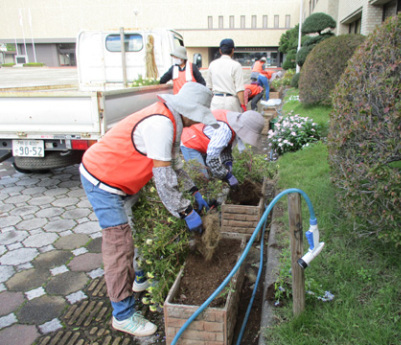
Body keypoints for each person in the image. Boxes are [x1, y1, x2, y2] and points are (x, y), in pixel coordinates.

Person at [79, 83, 218, 337]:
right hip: (103, 180)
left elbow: (175, 164)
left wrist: (194, 191)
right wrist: (186, 212)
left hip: (123, 180)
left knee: (138, 230)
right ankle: (122, 314)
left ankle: (140, 277)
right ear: (187, 111)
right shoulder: (161, 124)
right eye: (196, 117)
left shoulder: (172, 121)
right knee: (119, 243)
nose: (195, 123)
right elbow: (163, 180)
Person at [180, 109, 265, 187]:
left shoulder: (233, 122)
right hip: (190, 140)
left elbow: (225, 145)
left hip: (202, 139)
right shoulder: (224, 131)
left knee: (210, 174)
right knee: (202, 177)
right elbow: (211, 161)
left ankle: (211, 198)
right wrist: (227, 175)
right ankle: (204, 201)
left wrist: (228, 162)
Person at [206, 38, 246, 112]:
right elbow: (239, 89)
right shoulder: (236, 65)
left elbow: (209, 87)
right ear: (233, 50)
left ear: (220, 51)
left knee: (216, 123)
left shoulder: (212, 64)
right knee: (232, 123)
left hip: (216, 100)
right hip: (231, 101)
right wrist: (243, 106)